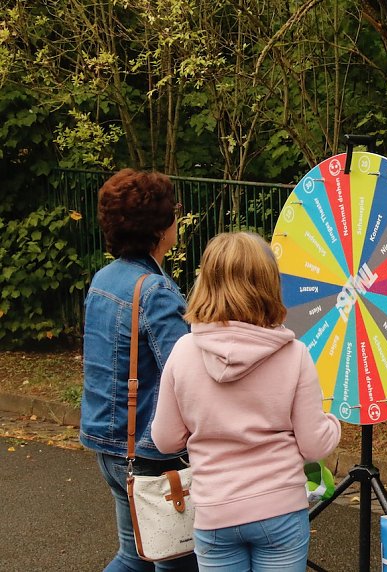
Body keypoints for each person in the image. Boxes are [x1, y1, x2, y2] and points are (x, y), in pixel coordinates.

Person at [151, 231, 342, 572]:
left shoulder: (183, 353)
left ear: (206, 282)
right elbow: (314, 445)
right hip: (279, 508)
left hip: (214, 511)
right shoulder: (294, 355)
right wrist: (332, 424)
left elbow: (165, 439)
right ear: (269, 284)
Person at [80, 169, 197, 571]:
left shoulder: (104, 280)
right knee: (176, 560)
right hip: (150, 453)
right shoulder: (155, 290)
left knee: (136, 557)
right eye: (174, 212)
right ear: (160, 227)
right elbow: (185, 372)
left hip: (108, 443)